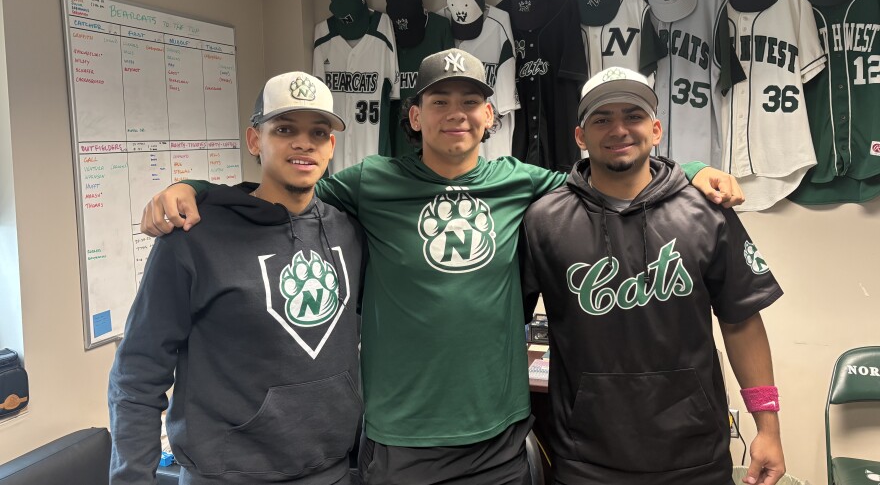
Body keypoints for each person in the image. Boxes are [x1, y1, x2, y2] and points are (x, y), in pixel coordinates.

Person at [140, 49, 744, 485]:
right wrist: (193, 186)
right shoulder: (369, 184)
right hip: (401, 439)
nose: (456, 113)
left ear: (490, 117)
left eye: (471, 102)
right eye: (439, 101)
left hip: (500, 435)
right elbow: (286, 191)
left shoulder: (526, 184)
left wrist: (690, 171)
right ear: (414, 116)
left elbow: (615, 177)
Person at [520, 66, 785, 485]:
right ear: (580, 136)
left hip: (696, 453)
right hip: (586, 459)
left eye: (633, 115)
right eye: (602, 119)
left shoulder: (706, 211)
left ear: (656, 129)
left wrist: (768, 428)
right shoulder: (544, 220)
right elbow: (505, 323)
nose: (619, 129)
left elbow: (742, 321)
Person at [109, 72, 365, 485]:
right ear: (254, 141)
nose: (303, 143)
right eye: (284, 129)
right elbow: (137, 372)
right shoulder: (195, 236)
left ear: (330, 146)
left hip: (331, 470)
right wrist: (132, 478)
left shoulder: (350, 231)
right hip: (226, 475)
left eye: (318, 132)